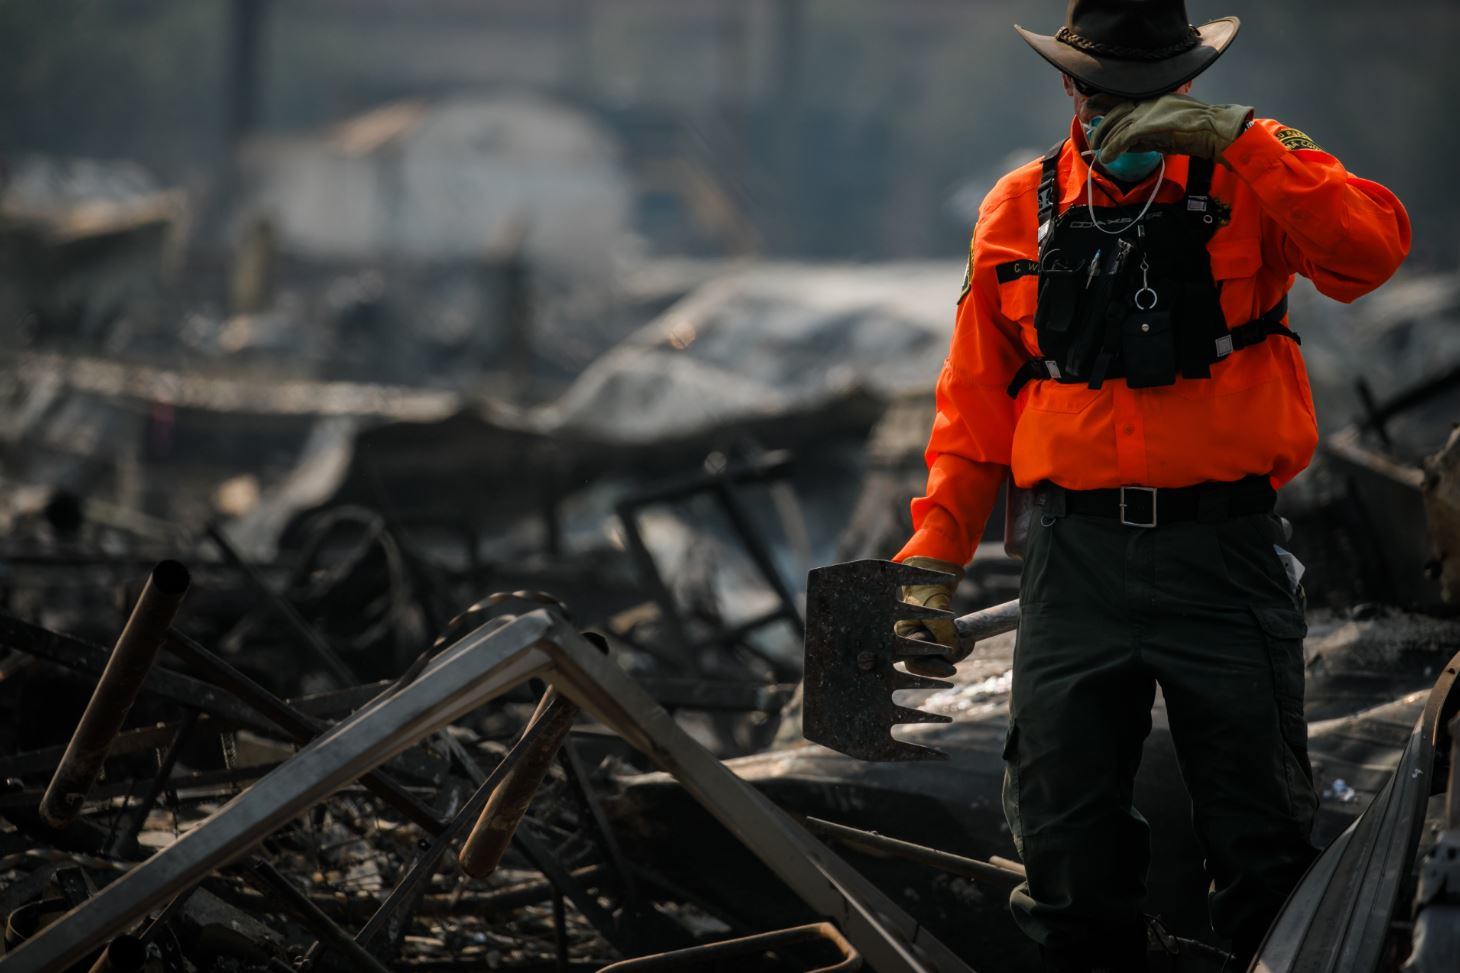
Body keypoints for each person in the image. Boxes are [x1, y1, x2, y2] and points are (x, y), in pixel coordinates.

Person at [890, 1, 1412, 969]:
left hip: (1222, 557)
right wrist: (929, 557)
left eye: (1143, 94)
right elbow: (971, 411)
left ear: (1183, 88)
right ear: (1066, 86)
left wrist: (1246, 140)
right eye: (1099, 91)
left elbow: (1368, 252)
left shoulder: (1253, 176)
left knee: (1261, 843)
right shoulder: (1014, 208)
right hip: (1072, 564)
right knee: (1062, 847)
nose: (1113, 112)